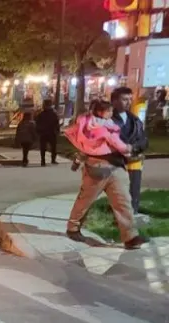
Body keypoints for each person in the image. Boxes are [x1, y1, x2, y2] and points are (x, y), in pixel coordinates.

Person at [63, 99, 148, 250]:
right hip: (100, 167)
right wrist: (132, 150)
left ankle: (130, 237)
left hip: (113, 168)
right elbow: (120, 146)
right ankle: (73, 228)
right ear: (101, 112)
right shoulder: (103, 127)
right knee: (87, 200)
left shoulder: (87, 125)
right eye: (109, 110)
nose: (111, 113)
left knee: (122, 201)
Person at [110, 86, 150, 224]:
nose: (128, 102)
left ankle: (132, 214)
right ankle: (120, 219)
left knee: (134, 189)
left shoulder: (135, 120)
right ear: (114, 101)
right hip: (116, 163)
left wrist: (133, 148)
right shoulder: (108, 119)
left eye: (129, 99)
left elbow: (144, 140)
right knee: (119, 192)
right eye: (124, 99)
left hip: (134, 161)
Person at [36, 99, 60, 166]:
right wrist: (57, 131)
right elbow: (56, 123)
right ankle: (53, 160)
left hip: (43, 133)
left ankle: (43, 161)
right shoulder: (53, 114)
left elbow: (37, 123)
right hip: (51, 132)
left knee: (43, 147)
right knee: (53, 147)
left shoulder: (41, 114)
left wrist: (38, 131)